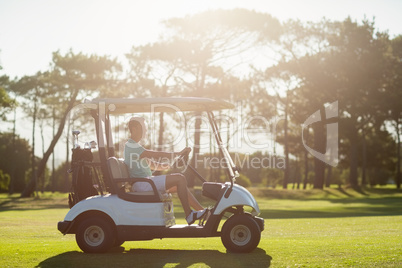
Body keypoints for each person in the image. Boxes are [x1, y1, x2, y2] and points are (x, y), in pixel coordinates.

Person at [124, 116, 207, 225]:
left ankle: (203, 212)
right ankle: (189, 215)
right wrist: (177, 153)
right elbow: (154, 154)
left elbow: (153, 165)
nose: (145, 131)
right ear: (134, 129)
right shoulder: (131, 145)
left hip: (146, 182)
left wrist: (170, 166)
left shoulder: (136, 147)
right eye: (143, 128)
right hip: (142, 184)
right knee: (180, 178)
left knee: (179, 185)